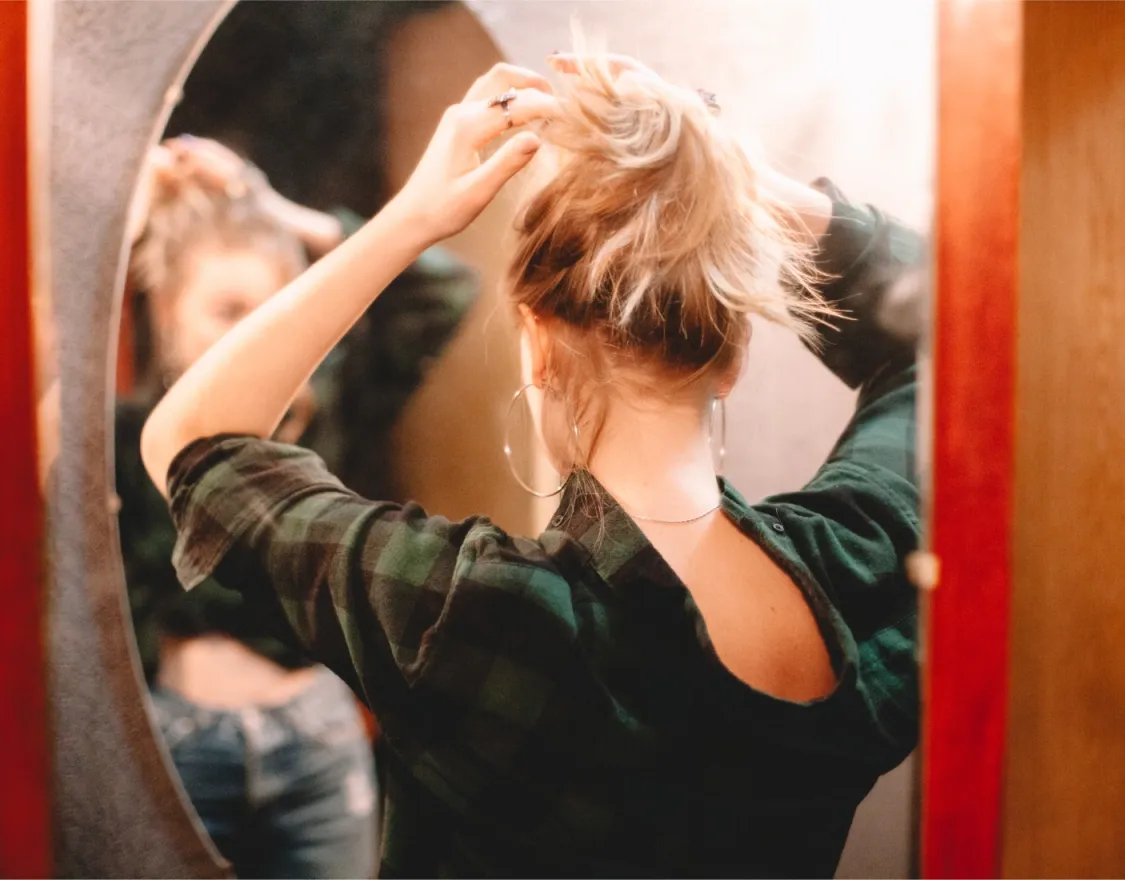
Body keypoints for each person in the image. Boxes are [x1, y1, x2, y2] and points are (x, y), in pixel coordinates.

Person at [141, 52, 921, 877]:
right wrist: (732, 177)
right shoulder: (855, 573)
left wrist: (410, 220)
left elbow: (192, 440)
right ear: (733, 355)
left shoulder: (479, 615)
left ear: (539, 344)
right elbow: (958, 340)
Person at [116, 137, 476, 878]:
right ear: (170, 315)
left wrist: (272, 207)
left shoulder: (328, 406)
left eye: (269, 312)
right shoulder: (128, 436)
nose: (250, 335)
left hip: (317, 746)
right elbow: (36, 350)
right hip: (178, 746)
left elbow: (441, 290)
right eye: (227, 311)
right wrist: (127, 221)